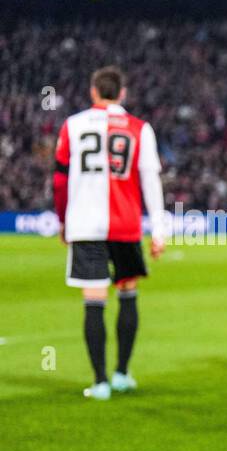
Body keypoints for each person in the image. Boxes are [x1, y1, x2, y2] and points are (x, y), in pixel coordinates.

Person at [54, 66, 167, 400]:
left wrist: (63, 220)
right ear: (122, 93)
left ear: (93, 91)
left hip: (85, 226)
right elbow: (151, 181)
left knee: (94, 302)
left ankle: (100, 381)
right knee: (128, 293)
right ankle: (121, 373)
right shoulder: (140, 129)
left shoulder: (72, 126)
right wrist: (158, 229)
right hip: (125, 225)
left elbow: (59, 181)